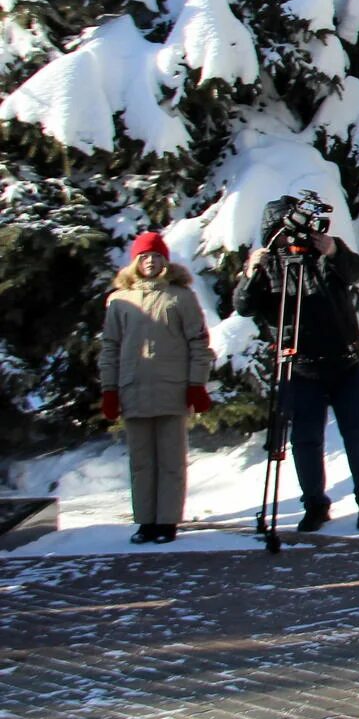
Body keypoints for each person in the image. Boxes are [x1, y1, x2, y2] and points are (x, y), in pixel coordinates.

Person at [234, 199, 359, 531]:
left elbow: (358, 271)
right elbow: (244, 306)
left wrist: (334, 251)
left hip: (344, 360)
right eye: (284, 233)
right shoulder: (269, 266)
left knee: (358, 433)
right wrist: (250, 273)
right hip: (299, 366)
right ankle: (314, 503)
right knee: (305, 438)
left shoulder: (325, 255)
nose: (293, 239)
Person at [100, 232, 214, 543]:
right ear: (135, 262)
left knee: (170, 459)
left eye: (156, 256)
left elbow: (198, 342)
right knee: (140, 460)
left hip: (171, 389)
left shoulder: (180, 297)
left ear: (165, 260)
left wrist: (196, 385)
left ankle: (167, 522)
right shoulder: (119, 300)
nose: (150, 261)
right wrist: (109, 389)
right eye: (144, 256)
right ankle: (145, 521)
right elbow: (110, 347)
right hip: (133, 388)